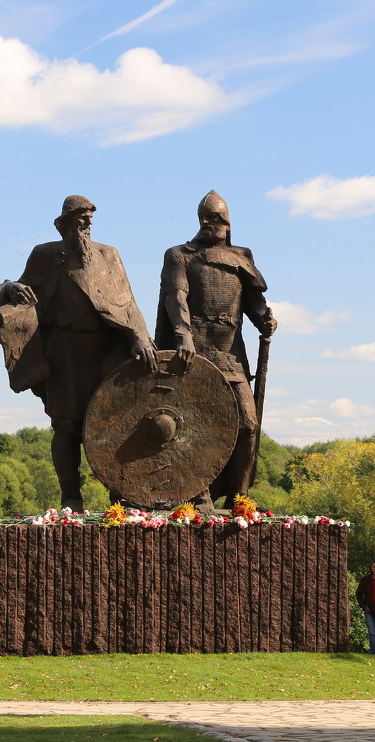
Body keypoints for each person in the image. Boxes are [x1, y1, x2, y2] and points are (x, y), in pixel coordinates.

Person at [0, 195, 158, 511]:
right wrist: (10, 288)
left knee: (116, 421)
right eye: (80, 218)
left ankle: (121, 497)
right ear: (64, 223)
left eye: (90, 218)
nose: (87, 224)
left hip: (107, 348)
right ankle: (71, 497)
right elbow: (19, 289)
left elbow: (127, 303)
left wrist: (140, 336)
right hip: (65, 351)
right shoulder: (45, 255)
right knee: (66, 425)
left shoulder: (110, 256)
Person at [154, 190, 277, 506]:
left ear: (228, 221)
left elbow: (254, 301)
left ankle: (239, 497)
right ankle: (200, 495)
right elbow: (175, 297)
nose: (211, 222)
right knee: (202, 425)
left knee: (247, 425)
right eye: (206, 217)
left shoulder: (241, 257)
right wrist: (183, 337)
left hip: (232, 355)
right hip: (197, 354)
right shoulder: (180, 255)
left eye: (217, 217)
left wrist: (264, 318)